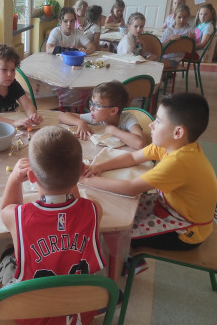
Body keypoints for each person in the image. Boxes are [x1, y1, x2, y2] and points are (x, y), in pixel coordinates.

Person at [0, 126, 105, 325]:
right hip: (81, 315)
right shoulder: (94, 209)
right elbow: (76, 203)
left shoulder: (18, 216)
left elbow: (6, 209)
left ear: (31, 176)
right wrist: (71, 176)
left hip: (30, 318)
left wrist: (14, 179)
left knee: (7, 254)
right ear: (82, 171)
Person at [81, 93, 217, 251]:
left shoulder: (179, 161)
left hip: (187, 230)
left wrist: (84, 180)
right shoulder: (172, 144)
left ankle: (129, 260)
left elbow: (131, 188)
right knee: (120, 210)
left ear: (178, 132)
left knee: (115, 232)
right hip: (170, 207)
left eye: (158, 121)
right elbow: (132, 157)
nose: (151, 125)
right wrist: (99, 167)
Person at [58, 81, 147, 150]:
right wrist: (80, 122)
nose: (91, 108)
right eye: (92, 103)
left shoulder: (128, 119)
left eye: (97, 105)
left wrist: (113, 130)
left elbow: (140, 143)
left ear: (113, 111)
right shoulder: (97, 117)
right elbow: (62, 116)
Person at [0, 44, 43, 129]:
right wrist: (13, 123)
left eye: (13, 70)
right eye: (4, 70)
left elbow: (28, 106)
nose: (10, 74)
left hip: (12, 127)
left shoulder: (14, 85)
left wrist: (33, 116)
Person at [160, 4, 195, 68]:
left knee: (155, 63)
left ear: (188, 17)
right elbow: (161, 47)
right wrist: (169, 39)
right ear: (174, 17)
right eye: (179, 17)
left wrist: (193, 39)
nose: (182, 20)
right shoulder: (168, 30)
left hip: (174, 60)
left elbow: (192, 47)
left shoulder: (189, 30)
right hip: (163, 56)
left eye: (184, 17)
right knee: (150, 60)